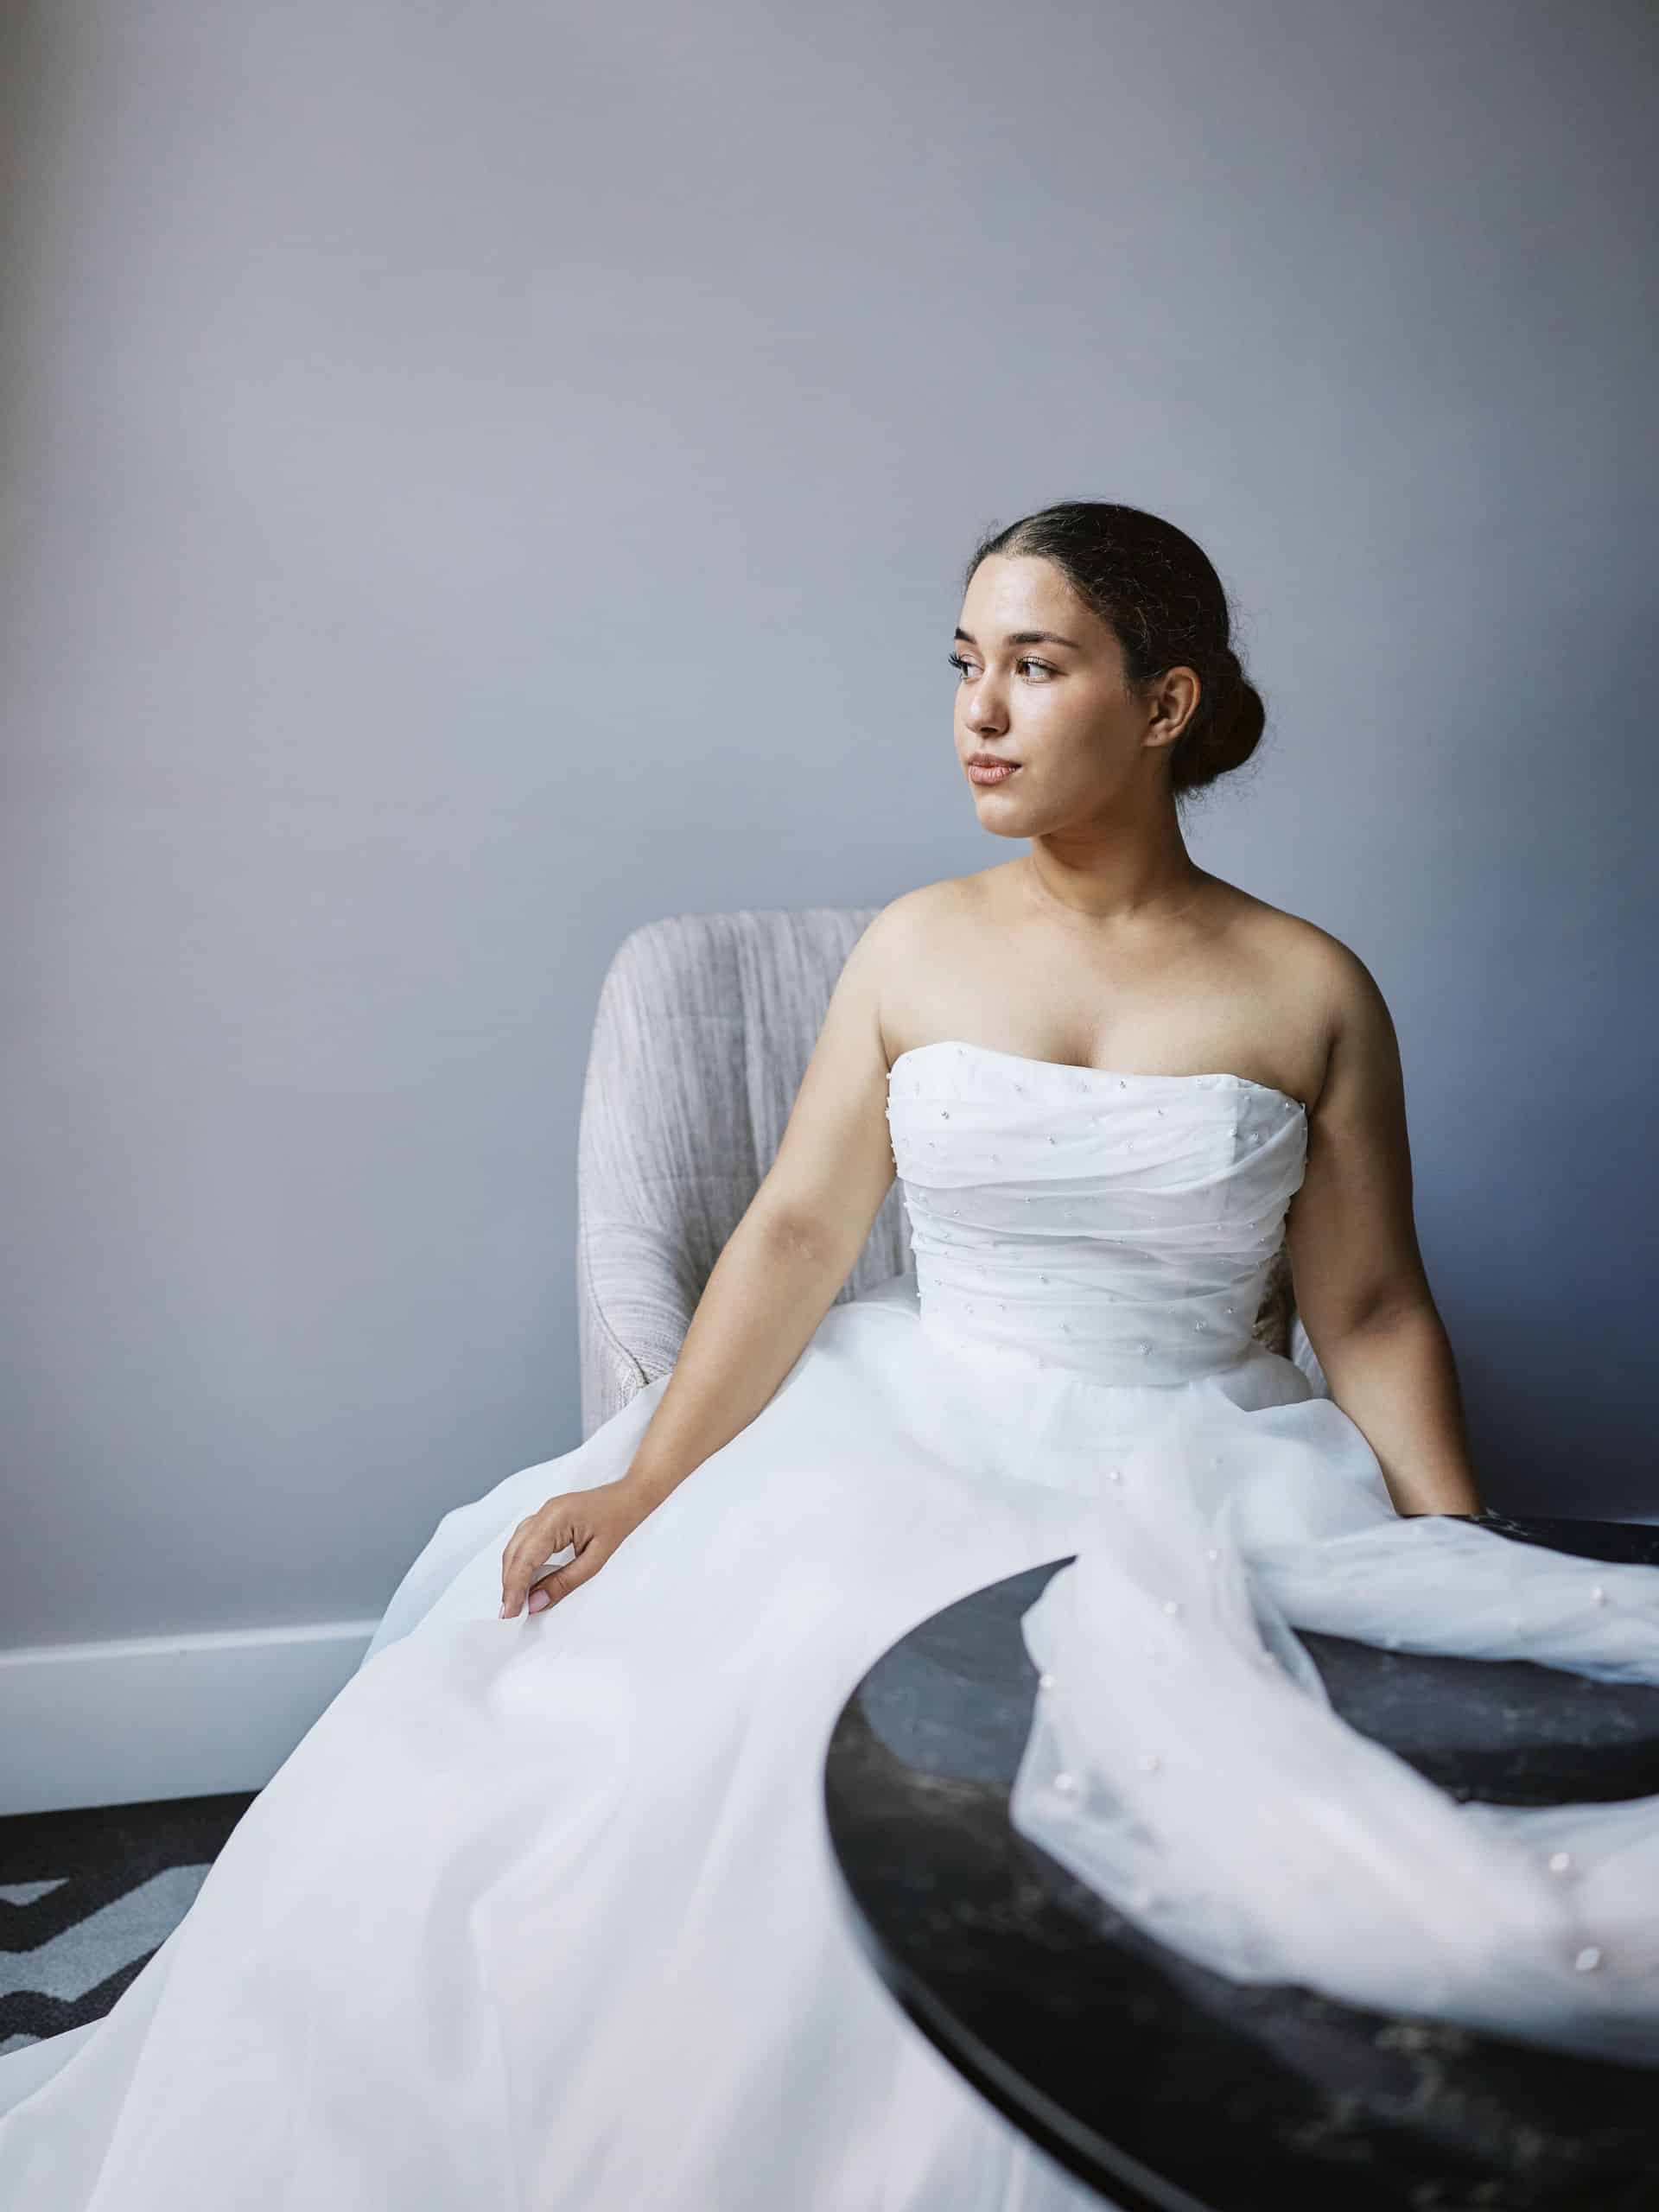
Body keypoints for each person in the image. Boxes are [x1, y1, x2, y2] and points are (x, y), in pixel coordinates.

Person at [3, 497, 1637, 2208]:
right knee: (723, 1726)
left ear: (1164, 703)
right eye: (965, 663)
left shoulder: (1310, 986)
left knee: (1227, 1804)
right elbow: (795, 1231)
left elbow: (1368, 1310)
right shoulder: (915, 945)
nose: (979, 712)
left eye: (1037, 666)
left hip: (1203, 1459)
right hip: (915, 1427)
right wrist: (645, 1480)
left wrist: (1458, 1554)